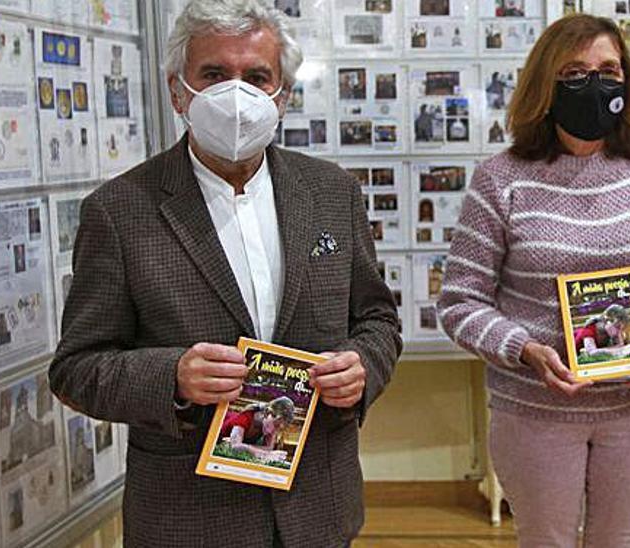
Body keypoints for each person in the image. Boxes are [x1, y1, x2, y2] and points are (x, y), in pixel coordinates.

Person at [48, 1, 402, 545]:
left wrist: (362, 368)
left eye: (257, 77)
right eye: (214, 74)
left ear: (282, 95)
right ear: (177, 90)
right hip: (190, 516)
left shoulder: (333, 193)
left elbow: (377, 317)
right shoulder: (118, 212)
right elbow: (75, 369)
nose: (236, 95)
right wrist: (172, 378)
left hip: (318, 506)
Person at [438, 14, 630, 547]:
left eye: (609, 70)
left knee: (622, 540)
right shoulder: (502, 178)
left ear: (626, 83)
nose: (595, 84)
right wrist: (524, 350)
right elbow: (460, 303)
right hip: (535, 410)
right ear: (545, 84)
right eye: (575, 72)